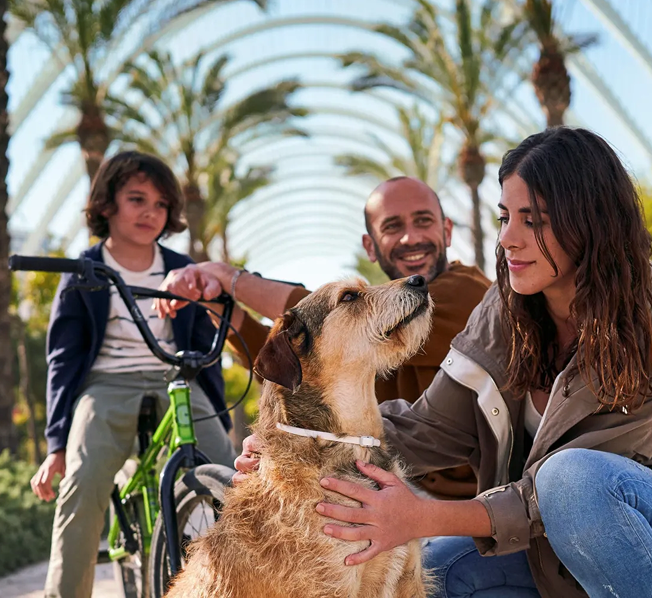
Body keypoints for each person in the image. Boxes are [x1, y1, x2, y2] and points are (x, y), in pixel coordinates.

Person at [235, 128, 652, 598]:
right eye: (506, 217)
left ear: (590, 223)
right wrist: (296, 447)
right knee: (430, 576)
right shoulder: (505, 311)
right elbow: (428, 427)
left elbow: (567, 497)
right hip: (554, 550)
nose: (507, 239)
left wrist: (423, 516)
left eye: (535, 221)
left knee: (571, 479)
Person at [156, 176, 491, 497]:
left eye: (423, 221)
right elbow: (300, 358)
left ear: (447, 231)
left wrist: (230, 278)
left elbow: (314, 323)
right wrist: (215, 301)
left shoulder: (468, 293)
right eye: (392, 227)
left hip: (472, 505)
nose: (409, 237)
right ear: (369, 246)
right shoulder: (377, 321)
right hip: (384, 481)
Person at [31, 151, 237, 598]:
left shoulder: (183, 269)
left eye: (161, 204)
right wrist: (57, 445)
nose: (150, 212)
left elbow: (205, 350)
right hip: (106, 385)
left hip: (175, 379)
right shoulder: (83, 272)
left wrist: (220, 416)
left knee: (232, 476)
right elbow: (63, 361)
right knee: (82, 485)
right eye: (137, 199)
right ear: (107, 205)